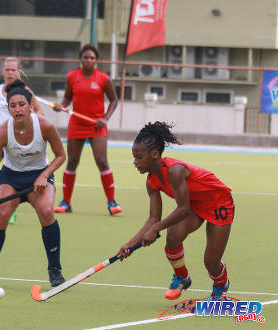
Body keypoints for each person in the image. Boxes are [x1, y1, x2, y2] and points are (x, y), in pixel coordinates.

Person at [118, 121, 234, 301]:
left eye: (139, 157)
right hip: (194, 203)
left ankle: (221, 285)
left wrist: (155, 229)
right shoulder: (151, 182)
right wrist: (130, 245)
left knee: (211, 261)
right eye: (134, 157)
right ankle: (182, 277)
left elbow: (183, 210)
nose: (135, 162)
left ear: (154, 154)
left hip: (218, 203)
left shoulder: (174, 171)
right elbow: (153, 218)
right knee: (172, 236)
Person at [0, 80, 66, 288]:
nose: (18, 109)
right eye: (13, 106)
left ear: (30, 105)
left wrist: (45, 175)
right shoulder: (1, 133)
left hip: (39, 175)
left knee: (46, 211)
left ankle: (55, 270)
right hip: (11, 177)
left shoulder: (45, 126)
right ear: (8, 109)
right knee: (1, 214)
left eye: (22, 104)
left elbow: (61, 156)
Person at [52, 43, 122, 215]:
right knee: (72, 162)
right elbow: (68, 97)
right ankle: (66, 203)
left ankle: (112, 202)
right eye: (85, 57)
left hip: (96, 126)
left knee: (102, 161)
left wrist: (105, 119)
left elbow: (114, 100)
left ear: (96, 60)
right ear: (80, 59)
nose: (88, 60)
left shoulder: (103, 78)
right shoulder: (72, 76)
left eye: (92, 58)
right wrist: (61, 105)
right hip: (76, 124)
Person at [0, 56, 43, 224]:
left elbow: (39, 112)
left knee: (13, 175)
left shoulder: (26, 92)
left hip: (17, 137)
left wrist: (30, 120)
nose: (10, 73)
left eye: (13, 70)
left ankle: (11, 211)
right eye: (7, 69)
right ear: (3, 71)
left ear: (19, 72)